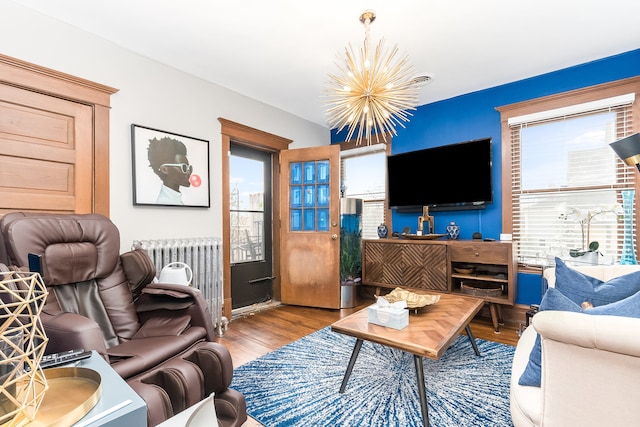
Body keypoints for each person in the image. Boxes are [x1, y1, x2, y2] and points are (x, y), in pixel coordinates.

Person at [147, 137, 192, 205]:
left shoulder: (174, 200)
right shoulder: (165, 202)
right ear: (165, 169)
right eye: (184, 167)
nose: (189, 172)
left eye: (189, 168)